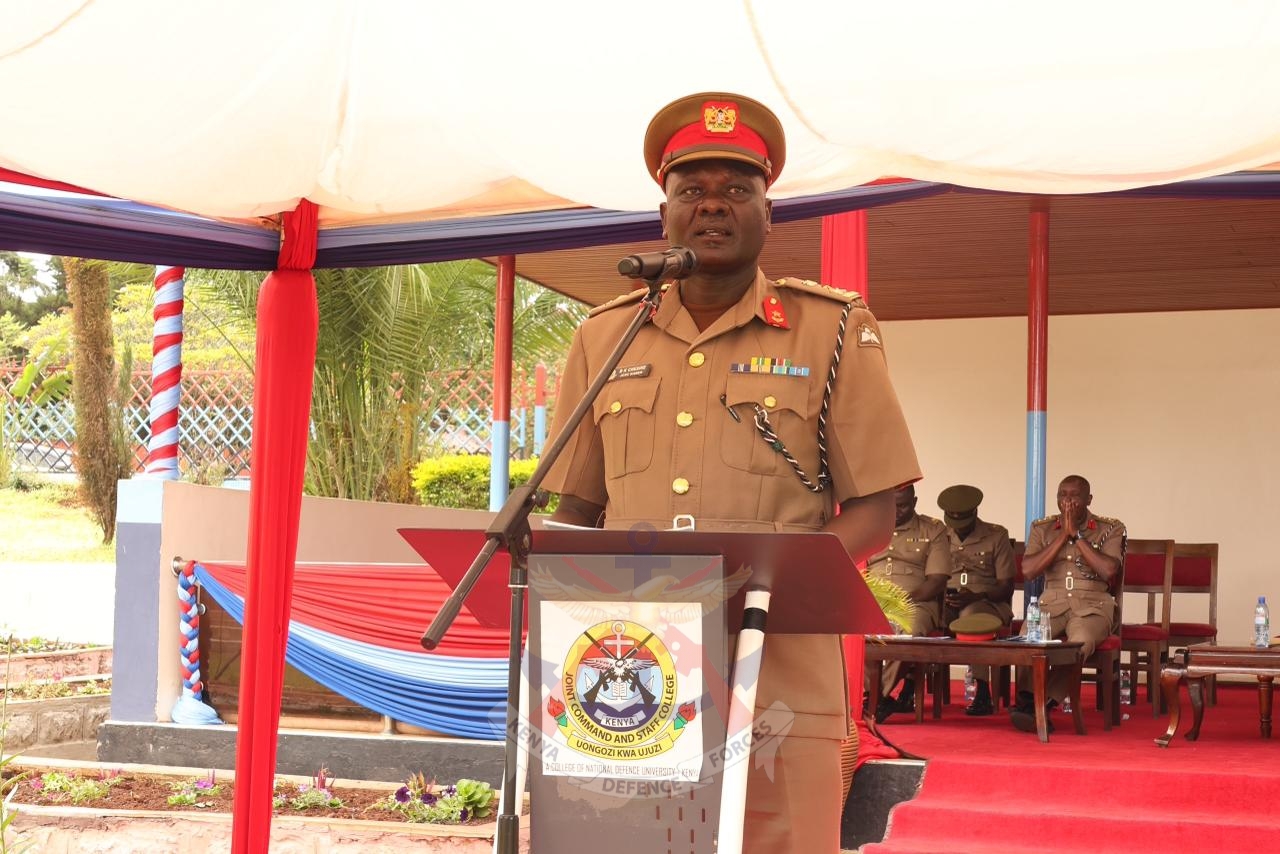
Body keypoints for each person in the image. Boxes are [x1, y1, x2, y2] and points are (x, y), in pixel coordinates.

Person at [541, 91, 921, 854]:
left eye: (736, 190)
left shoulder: (831, 327)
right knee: (628, 847)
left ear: (768, 214)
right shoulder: (606, 336)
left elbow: (876, 510)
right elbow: (575, 510)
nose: (713, 205)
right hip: (631, 668)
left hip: (779, 662)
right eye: (692, 190)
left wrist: (764, 588)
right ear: (664, 213)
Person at [1011, 475, 1125, 733]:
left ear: (1089, 499)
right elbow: (1028, 570)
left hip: (1093, 605)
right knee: (1027, 638)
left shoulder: (1110, 528)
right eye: (1063, 495)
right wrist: (1063, 535)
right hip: (1052, 603)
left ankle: (1044, 704)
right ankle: (1028, 701)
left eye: (1075, 496)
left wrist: (1077, 536)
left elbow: (1108, 570)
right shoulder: (1042, 528)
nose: (1068, 501)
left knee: (1079, 643)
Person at [864, 484, 951, 722]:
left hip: (916, 603)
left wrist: (900, 602)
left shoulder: (932, 529)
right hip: (873, 600)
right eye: (891, 506)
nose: (896, 511)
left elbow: (937, 580)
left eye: (902, 505)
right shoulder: (870, 528)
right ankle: (871, 694)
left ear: (914, 502)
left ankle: (877, 696)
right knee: (852, 630)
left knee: (908, 631)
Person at [937, 484, 1015, 716]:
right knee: (924, 616)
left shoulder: (996, 535)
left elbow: (1006, 587)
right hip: (947, 601)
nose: (958, 526)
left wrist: (978, 596)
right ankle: (910, 688)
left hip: (987, 603)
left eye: (963, 520)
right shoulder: (939, 535)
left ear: (975, 512)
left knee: (972, 617)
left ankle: (982, 691)